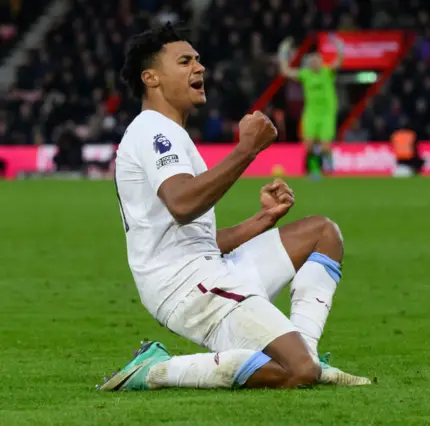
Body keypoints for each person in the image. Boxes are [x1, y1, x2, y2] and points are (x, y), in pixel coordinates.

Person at [98, 23, 370, 392]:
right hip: (187, 289)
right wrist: (247, 150)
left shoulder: (172, 134)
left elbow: (198, 239)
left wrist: (264, 220)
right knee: (297, 373)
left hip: (211, 269)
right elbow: (182, 205)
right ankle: (156, 369)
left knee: (322, 233)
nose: (199, 67)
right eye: (184, 61)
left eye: (198, 59)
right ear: (152, 78)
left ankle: (305, 350)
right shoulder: (154, 132)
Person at [278, 34, 344, 179]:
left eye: (317, 60)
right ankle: (314, 171)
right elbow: (285, 71)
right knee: (308, 145)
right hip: (311, 113)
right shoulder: (306, 74)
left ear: (321, 61)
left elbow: (338, 62)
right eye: (312, 61)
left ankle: (328, 168)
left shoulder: (327, 72)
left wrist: (338, 46)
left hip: (327, 113)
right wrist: (283, 52)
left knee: (325, 146)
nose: (315, 63)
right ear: (309, 63)